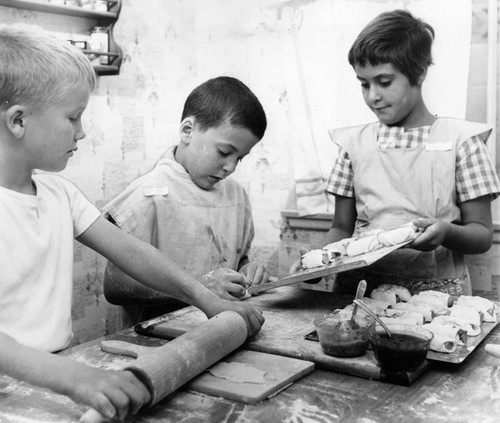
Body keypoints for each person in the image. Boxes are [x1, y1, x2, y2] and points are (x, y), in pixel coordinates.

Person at [0, 24, 264, 421]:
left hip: (53, 377)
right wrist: (75, 377)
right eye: (73, 117)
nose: (82, 131)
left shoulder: (60, 194)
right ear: (18, 121)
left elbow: (135, 254)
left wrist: (206, 298)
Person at [321, 9, 500, 295]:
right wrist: (315, 262)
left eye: (384, 82)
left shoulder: (462, 142)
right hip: (360, 291)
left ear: (419, 72)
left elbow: (481, 235)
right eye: (364, 84)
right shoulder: (352, 144)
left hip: (437, 298)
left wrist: (447, 232)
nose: (372, 96)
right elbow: (340, 228)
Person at [102, 76, 270, 327]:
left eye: (240, 158)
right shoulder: (147, 198)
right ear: (188, 131)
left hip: (222, 329)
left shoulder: (236, 196)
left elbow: (238, 258)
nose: (230, 167)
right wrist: (199, 287)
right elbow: (114, 287)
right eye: (224, 152)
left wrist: (247, 270)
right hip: (155, 338)